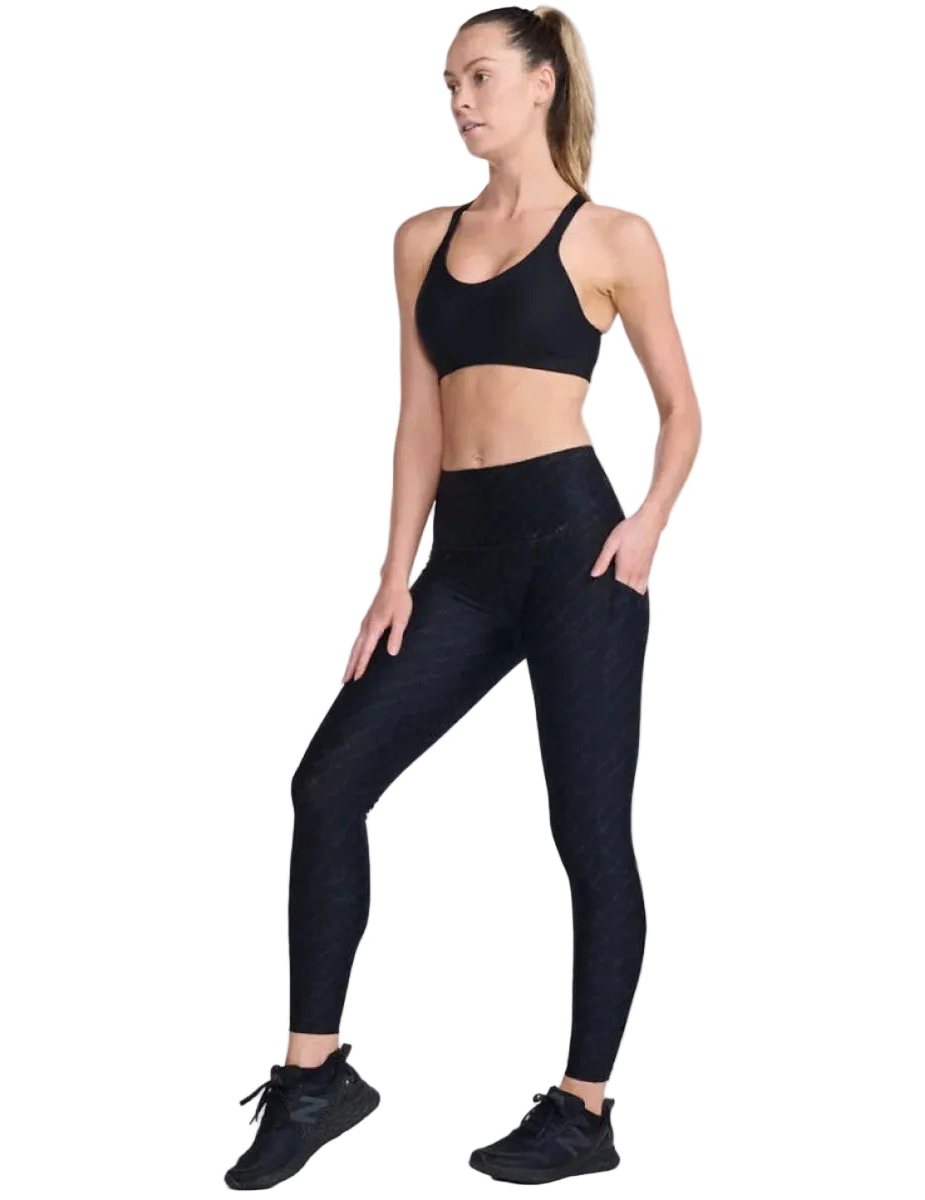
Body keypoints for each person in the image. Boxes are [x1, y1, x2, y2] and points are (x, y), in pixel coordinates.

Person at [224, 4, 700, 1190]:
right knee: (328, 785)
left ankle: (583, 1109)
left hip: (580, 552)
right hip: (465, 566)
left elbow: (683, 410)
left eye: (480, 77)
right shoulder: (420, 240)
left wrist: (648, 522)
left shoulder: (612, 237)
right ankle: (316, 1078)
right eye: (448, 84)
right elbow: (419, 419)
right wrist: (393, 575)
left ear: (542, 84)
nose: (460, 101)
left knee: (588, 831)